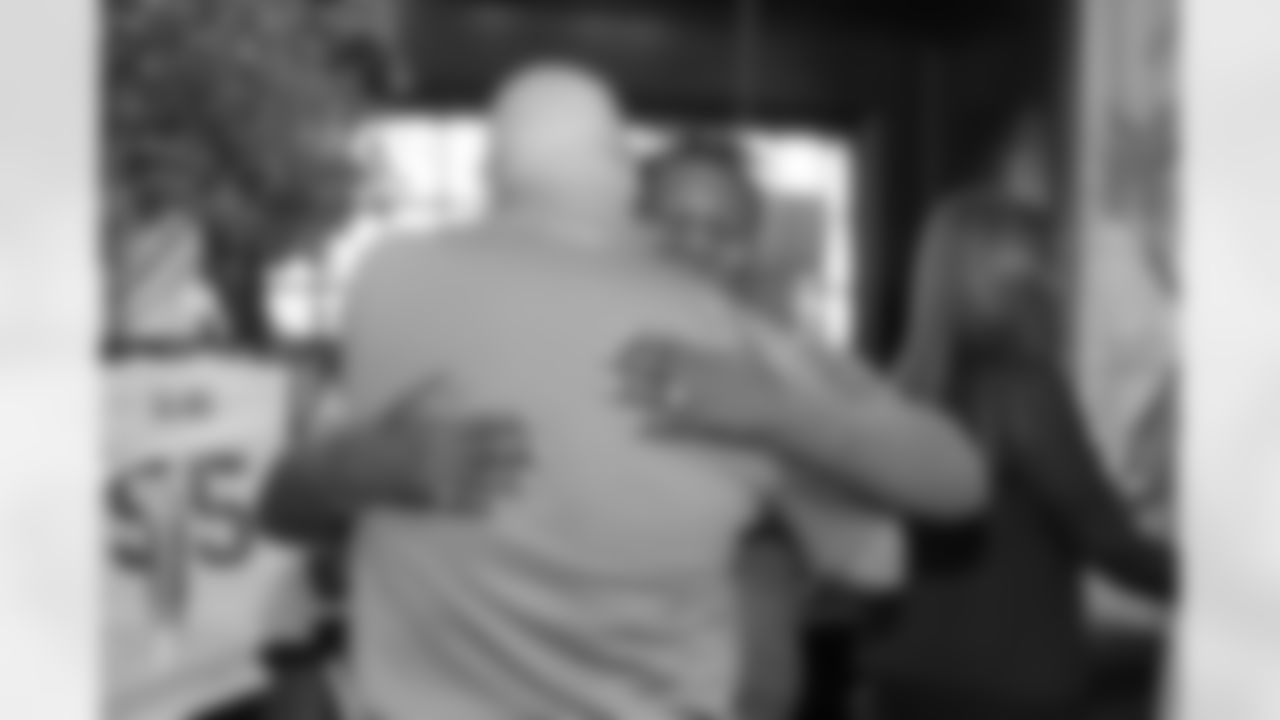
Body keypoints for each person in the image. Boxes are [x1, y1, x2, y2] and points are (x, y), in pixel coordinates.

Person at [260, 65, 988, 720]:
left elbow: (956, 481)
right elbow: (284, 504)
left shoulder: (755, 353)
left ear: (750, 251)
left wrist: (775, 419)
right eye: (670, 221)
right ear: (622, 216)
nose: (693, 246)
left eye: (722, 230)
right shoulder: (470, 322)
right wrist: (363, 469)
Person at [862, 192, 1178, 720]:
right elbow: (1103, 538)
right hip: (1010, 684)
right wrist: (1210, 587)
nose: (1063, 281)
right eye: (1053, 263)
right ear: (1020, 279)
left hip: (904, 676)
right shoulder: (1022, 386)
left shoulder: (900, 387)